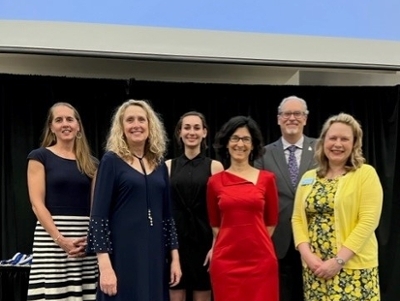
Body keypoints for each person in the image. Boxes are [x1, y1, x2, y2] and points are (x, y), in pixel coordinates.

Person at [86, 99, 182, 301]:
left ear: (150, 125)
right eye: (130, 120)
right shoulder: (111, 161)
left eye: (141, 119)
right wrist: (104, 267)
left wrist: (174, 258)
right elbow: (98, 217)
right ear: (121, 127)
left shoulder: (159, 165)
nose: (136, 124)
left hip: (155, 255)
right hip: (123, 255)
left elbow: (167, 217)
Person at [292, 112, 383, 300]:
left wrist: (338, 261)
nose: (338, 144)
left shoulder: (365, 174)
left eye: (345, 139)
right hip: (316, 270)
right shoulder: (308, 177)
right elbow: (298, 218)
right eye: (332, 138)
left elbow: (368, 222)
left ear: (354, 144)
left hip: (354, 270)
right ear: (323, 141)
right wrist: (307, 256)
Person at [26, 102, 98, 300]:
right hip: (52, 240)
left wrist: (90, 240)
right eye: (59, 120)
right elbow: (37, 204)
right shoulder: (39, 157)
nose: (65, 124)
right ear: (51, 127)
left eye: (70, 119)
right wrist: (61, 240)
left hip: (84, 243)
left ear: (78, 126)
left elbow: (96, 208)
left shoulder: (93, 163)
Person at [206, 115, 279, 301]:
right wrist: (234, 243)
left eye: (246, 139)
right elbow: (215, 224)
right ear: (227, 143)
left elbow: (271, 222)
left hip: (261, 262)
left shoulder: (267, 179)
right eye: (235, 138)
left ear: (253, 145)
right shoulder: (214, 182)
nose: (240, 144)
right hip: (226, 263)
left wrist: (252, 241)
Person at [254, 96, 316, 301]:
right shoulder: (263, 154)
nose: (292, 118)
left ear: (305, 119)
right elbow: (257, 196)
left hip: (313, 237)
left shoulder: (321, 150)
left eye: (297, 114)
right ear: (278, 119)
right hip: (277, 238)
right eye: (286, 114)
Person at [166, 111, 224, 301]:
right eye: (187, 127)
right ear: (180, 133)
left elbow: (221, 213)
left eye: (197, 128)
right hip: (176, 244)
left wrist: (215, 247)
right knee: (176, 292)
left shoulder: (215, 167)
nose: (192, 132)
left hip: (204, 242)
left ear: (205, 132)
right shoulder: (167, 166)